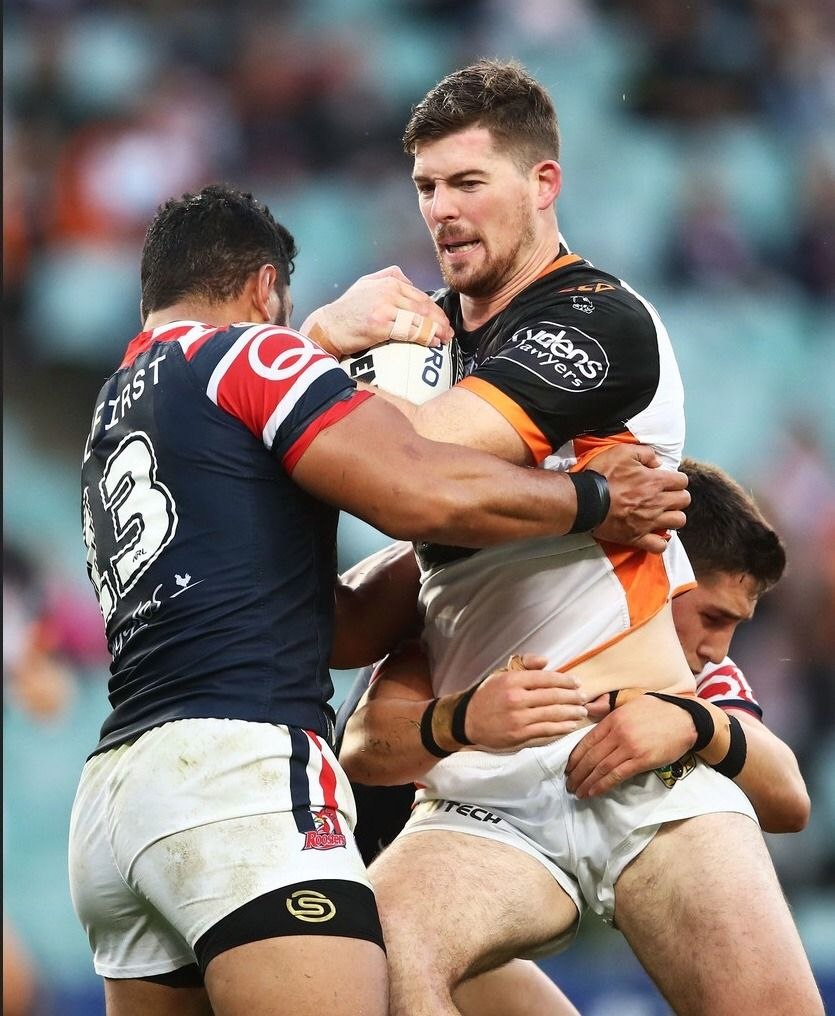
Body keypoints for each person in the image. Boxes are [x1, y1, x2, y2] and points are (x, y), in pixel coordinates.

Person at [68, 183, 687, 1016]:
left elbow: (340, 623)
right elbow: (415, 490)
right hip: (234, 775)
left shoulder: (120, 408)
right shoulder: (252, 356)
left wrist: (438, 572)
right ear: (262, 288)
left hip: (116, 806)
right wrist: (592, 502)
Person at [335, 61, 823, 1015]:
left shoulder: (600, 319)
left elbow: (416, 462)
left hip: (644, 763)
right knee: (373, 960)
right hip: (486, 793)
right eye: (427, 188)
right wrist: (320, 339)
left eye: (468, 183)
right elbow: (396, 511)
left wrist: (345, 400)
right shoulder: (408, 344)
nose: (442, 211)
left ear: (543, 184)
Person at [338, 456, 811, 1014]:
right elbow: (361, 745)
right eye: (712, 618)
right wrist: (461, 719)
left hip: (618, 824)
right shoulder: (470, 601)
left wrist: (695, 723)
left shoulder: (694, 678)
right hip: (475, 830)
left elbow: (790, 801)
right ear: (664, 568)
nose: (718, 648)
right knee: (372, 955)